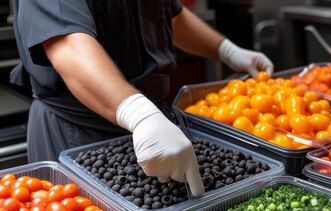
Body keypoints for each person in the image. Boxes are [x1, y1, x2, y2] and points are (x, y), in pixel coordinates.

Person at [10, 0, 274, 197]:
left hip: (156, 125)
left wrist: (227, 51)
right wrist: (139, 115)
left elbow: (169, 16)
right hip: (80, 134)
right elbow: (68, 44)